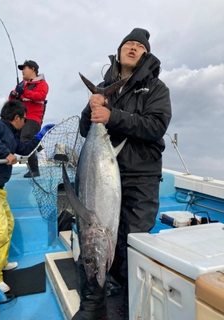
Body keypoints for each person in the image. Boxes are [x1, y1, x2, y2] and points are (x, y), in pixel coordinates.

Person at [73, 28, 172, 320]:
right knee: (89, 241)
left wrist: (113, 116)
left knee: (133, 243)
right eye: (127, 43)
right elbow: (84, 128)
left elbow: (156, 126)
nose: (132, 47)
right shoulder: (102, 87)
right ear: (118, 52)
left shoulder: (156, 89)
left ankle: (131, 307)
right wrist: (91, 109)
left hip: (140, 178)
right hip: (100, 174)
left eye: (139, 46)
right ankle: (92, 306)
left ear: (146, 55)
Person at [0, 100, 54, 293]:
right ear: (16, 118)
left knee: (8, 225)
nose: (24, 123)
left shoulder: (12, 136)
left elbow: (23, 150)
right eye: (23, 119)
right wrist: (6, 153)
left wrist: (40, 135)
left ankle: (1, 261)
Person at [9, 60, 49, 177]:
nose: (22, 71)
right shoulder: (22, 84)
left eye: (24, 68)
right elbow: (11, 100)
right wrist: (13, 95)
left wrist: (24, 92)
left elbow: (40, 96)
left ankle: (34, 170)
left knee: (26, 138)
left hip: (33, 118)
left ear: (32, 69)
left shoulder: (42, 84)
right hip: (20, 118)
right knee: (13, 139)